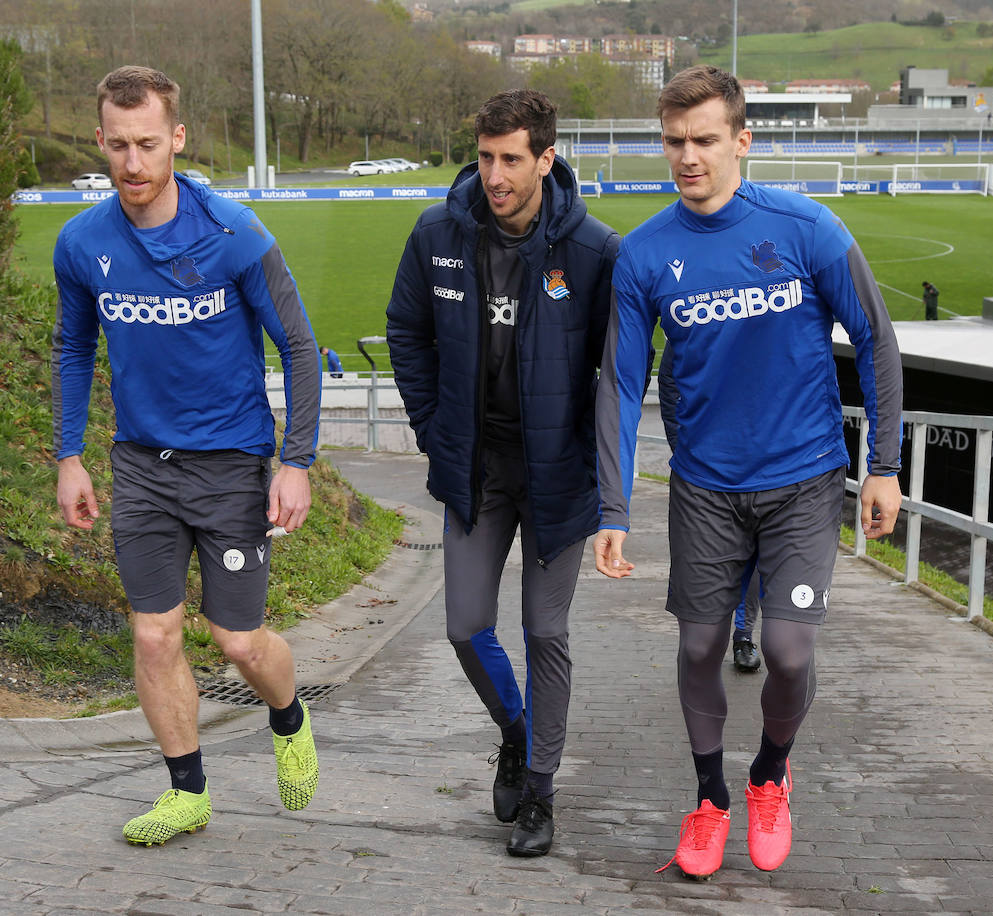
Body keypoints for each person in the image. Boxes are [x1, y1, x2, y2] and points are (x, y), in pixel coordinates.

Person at [594, 65, 902, 880]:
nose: (687, 157)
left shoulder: (806, 229)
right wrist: (613, 507)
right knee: (699, 646)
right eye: (673, 142)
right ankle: (709, 800)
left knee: (790, 653)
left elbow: (875, 339)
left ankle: (769, 775)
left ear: (742, 140)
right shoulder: (645, 254)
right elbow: (623, 386)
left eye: (703, 140)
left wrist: (885, 465)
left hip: (804, 479)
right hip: (704, 489)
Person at [52, 66, 323, 847]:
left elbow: (300, 348)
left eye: (147, 144)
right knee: (153, 634)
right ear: (99, 141)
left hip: (231, 465)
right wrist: (69, 455)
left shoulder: (236, 234)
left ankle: (289, 715)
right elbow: (73, 347)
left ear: (176, 139)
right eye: (118, 146)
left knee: (236, 641)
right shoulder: (84, 243)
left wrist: (295, 460)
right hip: (140, 464)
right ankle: (187, 791)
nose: (133, 163)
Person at [386, 88, 619, 857]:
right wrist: (431, 429)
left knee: (544, 629)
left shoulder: (593, 252)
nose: (494, 175)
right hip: (474, 468)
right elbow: (406, 332)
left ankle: (541, 798)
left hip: (555, 474)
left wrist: (602, 476)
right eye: (485, 157)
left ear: (546, 159)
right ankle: (515, 730)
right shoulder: (438, 234)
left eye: (511, 159)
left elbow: (620, 375)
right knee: (463, 624)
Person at [658, 346, 761, 674]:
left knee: (757, 557)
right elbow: (669, 380)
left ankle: (744, 635)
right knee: (711, 562)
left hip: (768, 464)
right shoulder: (696, 304)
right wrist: (682, 445)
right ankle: (710, 636)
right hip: (706, 470)